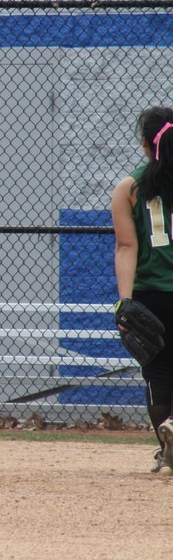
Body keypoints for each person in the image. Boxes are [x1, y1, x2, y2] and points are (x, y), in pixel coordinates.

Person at [112, 105, 173, 474]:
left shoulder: (129, 188)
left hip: (150, 294)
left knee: (158, 372)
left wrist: (125, 302)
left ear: (146, 144)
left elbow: (126, 246)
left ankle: (167, 452)